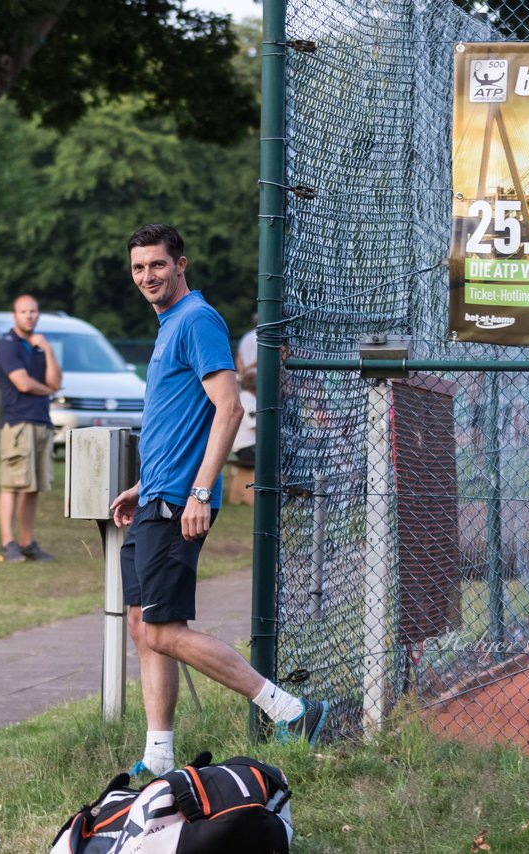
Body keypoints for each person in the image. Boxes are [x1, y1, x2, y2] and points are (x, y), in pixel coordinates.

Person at [111, 224, 326, 777]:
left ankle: (291, 710)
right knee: (142, 623)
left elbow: (229, 409)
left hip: (181, 502)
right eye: (138, 268)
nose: (147, 276)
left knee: (164, 629)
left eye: (157, 265)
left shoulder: (198, 320)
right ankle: (158, 757)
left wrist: (200, 492)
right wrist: (144, 483)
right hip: (157, 495)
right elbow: (179, 419)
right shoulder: (168, 327)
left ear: (181, 264)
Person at [0, 294, 62, 563]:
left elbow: (56, 381)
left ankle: (26, 542)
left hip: (41, 421)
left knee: (33, 486)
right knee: (12, 484)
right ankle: (7, 543)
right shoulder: (7, 345)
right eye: (23, 312)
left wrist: (47, 349)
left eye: (33, 311)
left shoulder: (37, 345)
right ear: (14, 316)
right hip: (17, 423)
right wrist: (46, 390)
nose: (29, 316)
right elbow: (23, 383)